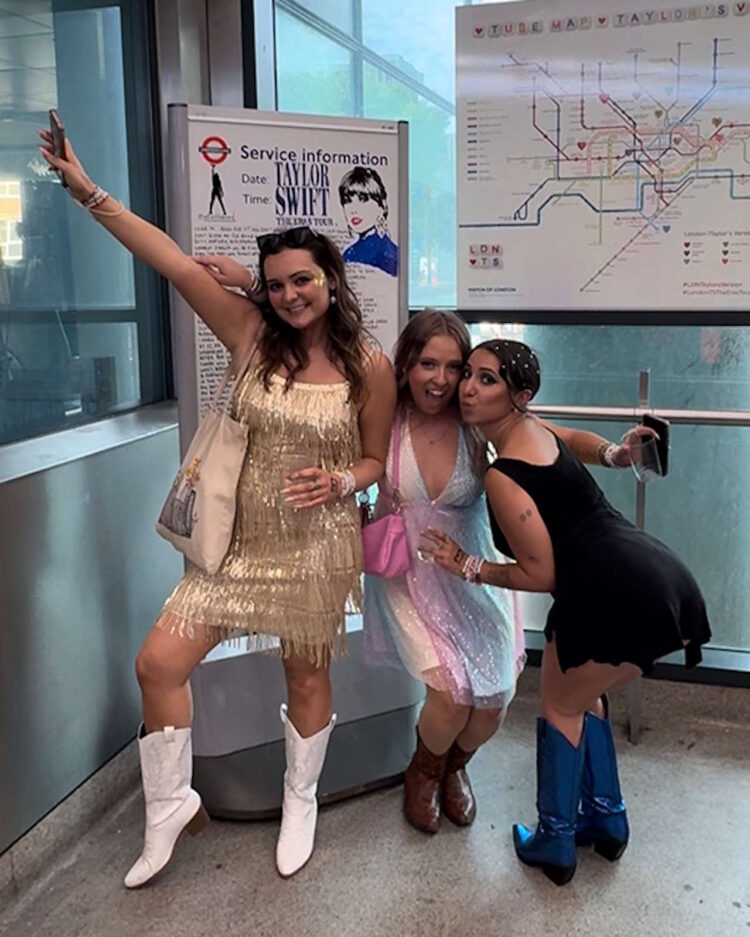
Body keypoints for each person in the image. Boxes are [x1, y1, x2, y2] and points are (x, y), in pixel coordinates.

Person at [39, 131, 396, 887]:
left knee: (304, 676)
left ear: (331, 277)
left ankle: (300, 799)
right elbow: (168, 257)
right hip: (234, 543)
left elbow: (374, 458)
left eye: (302, 279)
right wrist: (87, 189)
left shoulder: (370, 364)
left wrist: (343, 483)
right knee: (158, 662)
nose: (289, 294)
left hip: (313, 544)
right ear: (261, 290)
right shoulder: (250, 332)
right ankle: (170, 803)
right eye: (275, 284)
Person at [421, 339, 711, 885]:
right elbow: (571, 440)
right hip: (640, 573)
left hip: (609, 589)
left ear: (520, 396)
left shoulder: (502, 475)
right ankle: (607, 820)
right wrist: (615, 454)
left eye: (487, 380)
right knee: (582, 699)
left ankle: (556, 840)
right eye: (470, 374)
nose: (466, 388)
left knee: (559, 706)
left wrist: (466, 564)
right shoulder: (532, 429)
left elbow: (540, 576)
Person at [364, 313, 658, 836]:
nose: (441, 379)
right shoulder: (387, 419)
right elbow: (351, 462)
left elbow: (558, 438)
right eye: (427, 363)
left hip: (476, 574)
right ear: (406, 363)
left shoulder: (476, 419)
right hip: (412, 575)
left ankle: (456, 767)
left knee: (493, 702)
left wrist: (616, 454)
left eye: (454, 367)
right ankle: (424, 771)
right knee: (452, 695)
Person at [338, 167, 398, 276]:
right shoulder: (390, 249)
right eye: (347, 201)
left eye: (363, 199)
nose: (353, 210)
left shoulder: (356, 255)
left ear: (382, 206)